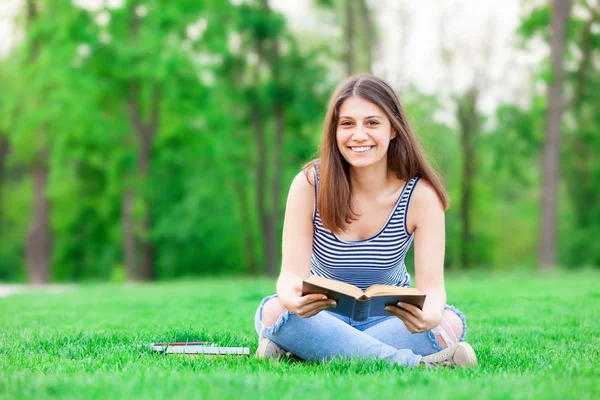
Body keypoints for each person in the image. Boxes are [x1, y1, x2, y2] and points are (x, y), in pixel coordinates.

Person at [253, 74, 477, 368]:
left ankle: (305, 352)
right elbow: (290, 276)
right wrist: (292, 299)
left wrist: (431, 313)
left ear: (394, 129)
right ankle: (417, 365)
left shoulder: (421, 195)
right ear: (334, 131)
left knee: (448, 323)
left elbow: (433, 288)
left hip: (390, 321)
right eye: (347, 124)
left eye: (372, 123)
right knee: (274, 311)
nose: (359, 135)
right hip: (321, 318)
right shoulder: (309, 184)